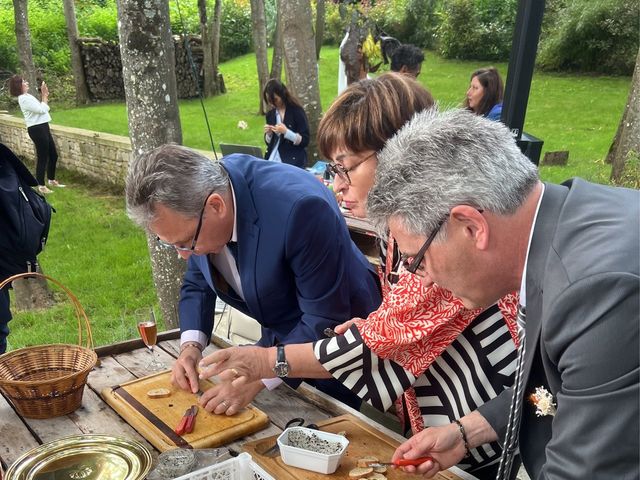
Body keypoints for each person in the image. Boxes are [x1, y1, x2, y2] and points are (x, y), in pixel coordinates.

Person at [202, 74, 521, 479]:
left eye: (345, 167)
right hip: (445, 422)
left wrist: (268, 359)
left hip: (487, 423)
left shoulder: (443, 236)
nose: (337, 185)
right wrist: (374, 326)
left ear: (399, 153)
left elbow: (385, 339)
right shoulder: (398, 230)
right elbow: (397, 325)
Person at [360, 108, 639, 479]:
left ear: (472, 226)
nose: (422, 281)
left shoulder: (596, 292)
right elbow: (560, 387)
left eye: (418, 260)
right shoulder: (559, 221)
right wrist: (465, 433)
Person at [125, 144, 381, 413]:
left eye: (186, 243)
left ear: (216, 206)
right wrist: (191, 347)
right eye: (171, 244)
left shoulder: (301, 209)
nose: (183, 256)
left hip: (347, 345)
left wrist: (262, 373)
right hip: (280, 335)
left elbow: (324, 319)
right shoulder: (199, 203)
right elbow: (197, 282)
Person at [8, 75, 64, 194]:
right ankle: (41, 186)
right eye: (24, 82)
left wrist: (45, 97)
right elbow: (41, 110)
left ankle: (51, 179)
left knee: (53, 155)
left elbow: (43, 109)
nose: (27, 83)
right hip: (36, 129)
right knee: (43, 157)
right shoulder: (23, 98)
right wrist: (44, 96)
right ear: (19, 86)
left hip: (43, 126)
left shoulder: (28, 96)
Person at [263, 79, 310, 168]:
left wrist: (286, 132)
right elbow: (270, 143)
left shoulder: (296, 111)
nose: (272, 104)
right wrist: (268, 134)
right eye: (269, 101)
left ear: (282, 94)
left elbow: (305, 140)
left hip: (291, 158)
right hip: (273, 156)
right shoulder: (271, 114)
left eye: (275, 100)